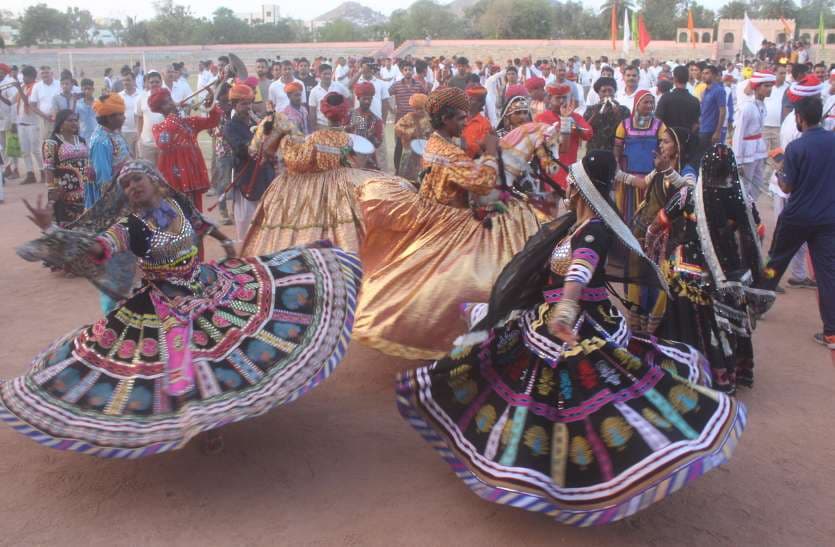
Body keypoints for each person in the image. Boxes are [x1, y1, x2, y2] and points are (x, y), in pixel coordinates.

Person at [396, 151, 746, 525]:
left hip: (580, 322)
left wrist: (565, 308)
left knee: (568, 396)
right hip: (556, 317)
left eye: (571, 178)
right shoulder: (572, 225)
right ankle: (529, 463)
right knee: (521, 379)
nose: (565, 183)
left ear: (579, 186)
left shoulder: (594, 229)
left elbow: (581, 269)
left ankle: (573, 477)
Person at [4, 159, 362, 457]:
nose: (132, 188)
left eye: (137, 180)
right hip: (166, 300)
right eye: (126, 184)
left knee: (235, 339)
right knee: (186, 361)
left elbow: (202, 225)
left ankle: (222, 414)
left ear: (155, 181)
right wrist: (53, 230)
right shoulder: (128, 227)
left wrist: (225, 242)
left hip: (208, 282)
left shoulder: (177, 206)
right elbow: (98, 249)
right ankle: (203, 427)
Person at [351, 87, 542, 359]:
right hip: (451, 221)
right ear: (445, 119)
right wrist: (495, 155)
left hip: (439, 214)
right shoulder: (448, 152)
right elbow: (481, 183)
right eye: (461, 118)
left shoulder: (436, 143)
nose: (466, 122)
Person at [647, 144, 772, 392]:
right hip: (729, 275)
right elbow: (757, 233)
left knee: (675, 271)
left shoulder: (689, 196)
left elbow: (657, 225)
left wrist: (652, 250)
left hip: (689, 271)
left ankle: (685, 366)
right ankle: (727, 372)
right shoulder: (744, 199)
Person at [242, 91, 366, 256]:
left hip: (315, 191)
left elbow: (298, 162)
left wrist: (285, 142)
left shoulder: (315, 138)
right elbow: (355, 161)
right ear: (343, 113)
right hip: (344, 187)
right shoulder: (348, 139)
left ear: (323, 112)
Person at [757, 96, 835, 352]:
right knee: (827, 274)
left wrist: (780, 171)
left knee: (775, 262)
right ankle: (832, 333)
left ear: (800, 118)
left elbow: (787, 186)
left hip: (797, 217)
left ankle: (757, 305)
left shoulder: (796, 148)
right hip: (828, 218)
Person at [617, 126, 696, 334]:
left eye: (667, 141)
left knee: (659, 279)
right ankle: (638, 324)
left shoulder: (687, 170)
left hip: (668, 238)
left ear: (678, 147)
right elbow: (643, 183)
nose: (661, 145)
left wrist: (667, 170)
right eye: (661, 141)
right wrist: (617, 175)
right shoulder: (660, 168)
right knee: (640, 276)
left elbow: (689, 192)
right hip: (645, 232)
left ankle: (657, 329)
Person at [222, 84, 280, 240]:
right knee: (246, 225)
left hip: (266, 177)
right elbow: (241, 149)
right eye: (243, 104)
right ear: (234, 105)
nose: (247, 107)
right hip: (247, 179)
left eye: (249, 103)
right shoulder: (230, 126)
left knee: (268, 223)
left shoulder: (257, 121)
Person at [149, 87, 220, 212]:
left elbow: (213, 121)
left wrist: (211, 105)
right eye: (166, 103)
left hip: (192, 174)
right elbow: (163, 143)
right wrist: (173, 118)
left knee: (196, 211)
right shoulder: (158, 128)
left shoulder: (189, 122)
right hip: (174, 178)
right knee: (178, 213)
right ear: (160, 110)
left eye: (170, 99)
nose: (171, 104)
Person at [614, 90, 665, 226]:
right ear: (637, 104)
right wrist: (616, 164)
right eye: (646, 102)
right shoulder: (624, 124)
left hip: (651, 175)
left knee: (649, 211)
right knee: (627, 211)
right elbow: (617, 147)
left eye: (651, 102)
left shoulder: (659, 125)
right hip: (629, 176)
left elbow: (664, 147)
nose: (649, 105)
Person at [535, 83, 592, 191]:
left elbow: (588, 134)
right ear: (549, 99)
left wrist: (574, 124)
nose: (562, 101)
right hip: (550, 170)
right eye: (558, 98)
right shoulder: (542, 118)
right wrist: (565, 121)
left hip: (569, 169)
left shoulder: (576, 117)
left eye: (564, 98)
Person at [732, 71, 775, 202]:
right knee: (744, 185)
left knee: (757, 184)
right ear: (757, 87)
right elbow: (738, 134)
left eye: (770, 86)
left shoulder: (762, 105)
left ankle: (752, 212)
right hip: (746, 152)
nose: (769, 89)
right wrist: (737, 161)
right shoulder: (747, 108)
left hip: (758, 150)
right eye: (766, 86)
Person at [42, 110, 89, 226]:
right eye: (70, 120)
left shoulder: (81, 140)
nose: (74, 123)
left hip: (84, 191)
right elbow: (48, 168)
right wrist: (52, 190)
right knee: (65, 225)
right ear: (61, 123)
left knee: (83, 224)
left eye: (76, 120)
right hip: (63, 193)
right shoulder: (51, 143)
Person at [87, 93, 131, 209]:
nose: (124, 117)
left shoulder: (113, 133)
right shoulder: (101, 141)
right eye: (121, 114)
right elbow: (103, 178)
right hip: (112, 197)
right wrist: (110, 203)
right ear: (110, 118)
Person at [389, 61, 429, 172]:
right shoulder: (396, 85)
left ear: (413, 71)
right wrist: (391, 109)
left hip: (416, 120)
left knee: (415, 144)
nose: (408, 72)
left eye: (410, 70)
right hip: (400, 119)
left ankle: (415, 169)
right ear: (402, 71)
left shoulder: (419, 85)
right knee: (399, 144)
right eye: (405, 70)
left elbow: (426, 98)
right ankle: (397, 169)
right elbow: (386, 95)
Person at [13, 66, 44, 184]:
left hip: (33, 123)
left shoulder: (36, 87)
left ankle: (42, 172)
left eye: (25, 76)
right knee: (25, 151)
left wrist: (19, 89)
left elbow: (27, 102)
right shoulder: (23, 87)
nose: (24, 78)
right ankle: (30, 174)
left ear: (32, 76)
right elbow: (11, 101)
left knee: (35, 150)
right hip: (21, 123)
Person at [582, 76, 629, 152]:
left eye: (610, 91)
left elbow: (628, 131)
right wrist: (595, 115)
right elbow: (584, 131)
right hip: (594, 151)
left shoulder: (624, 110)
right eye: (603, 91)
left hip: (615, 153)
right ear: (598, 93)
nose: (607, 94)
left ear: (614, 92)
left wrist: (618, 115)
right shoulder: (590, 110)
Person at [394, 93, 431, 181]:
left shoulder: (429, 119)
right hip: (409, 152)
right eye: (416, 109)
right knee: (407, 179)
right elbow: (398, 128)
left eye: (421, 109)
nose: (418, 111)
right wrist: (411, 133)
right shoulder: (408, 117)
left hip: (424, 153)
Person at [347, 82, 384, 170]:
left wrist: (371, 137)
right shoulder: (350, 114)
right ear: (358, 98)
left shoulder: (376, 119)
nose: (367, 101)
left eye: (369, 99)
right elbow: (343, 135)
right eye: (364, 99)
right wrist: (347, 129)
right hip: (351, 158)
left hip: (368, 160)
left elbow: (378, 143)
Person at [656, 65, 700, 136]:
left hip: (667, 139)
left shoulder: (666, 97)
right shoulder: (694, 101)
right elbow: (695, 125)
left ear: (674, 79)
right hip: (686, 140)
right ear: (688, 78)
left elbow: (658, 120)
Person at [308, 63, 350, 131]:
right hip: (322, 126)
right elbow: (312, 112)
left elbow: (348, 98)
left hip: (338, 126)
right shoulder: (314, 91)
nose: (327, 76)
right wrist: (314, 128)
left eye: (329, 74)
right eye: (325, 74)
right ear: (319, 74)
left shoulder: (339, 86)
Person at [135, 70, 165, 165]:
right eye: (152, 82)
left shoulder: (167, 97)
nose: (154, 84)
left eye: (157, 82)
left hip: (164, 143)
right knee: (148, 172)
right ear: (148, 83)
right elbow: (139, 118)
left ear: (161, 82)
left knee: (163, 173)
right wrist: (139, 137)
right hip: (146, 143)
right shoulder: (141, 98)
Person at [697, 65, 726, 157]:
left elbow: (722, 111)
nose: (703, 76)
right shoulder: (705, 90)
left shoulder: (719, 90)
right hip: (703, 128)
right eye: (703, 73)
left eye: (707, 73)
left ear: (713, 75)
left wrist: (717, 131)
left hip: (711, 130)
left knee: (711, 157)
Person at [461, 84, 492, 159]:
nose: (468, 101)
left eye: (471, 99)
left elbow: (481, 148)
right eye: (467, 98)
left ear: (481, 103)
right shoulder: (458, 118)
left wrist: (466, 146)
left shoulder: (485, 124)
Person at [119, 71, 141, 158]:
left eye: (128, 80)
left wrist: (139, 132)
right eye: (124, 80)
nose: (126, 82)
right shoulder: (119, 96)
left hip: (139, 132)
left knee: (139, 158)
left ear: (134, 80)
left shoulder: (141, 95)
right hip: (124, 132)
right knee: (126, 158)